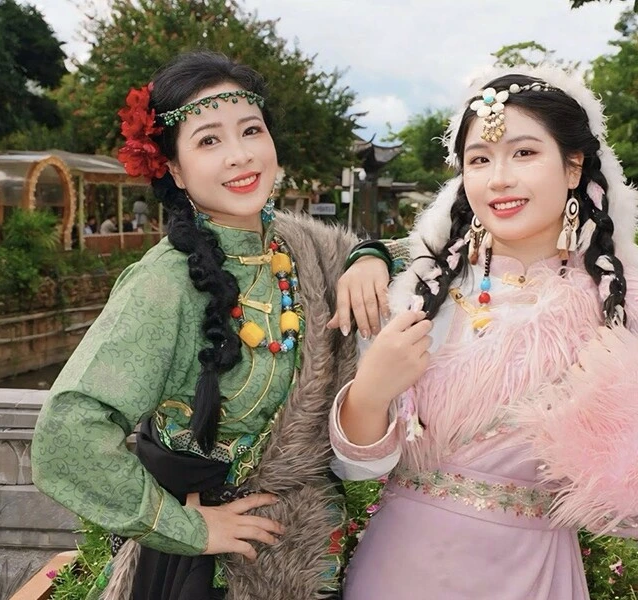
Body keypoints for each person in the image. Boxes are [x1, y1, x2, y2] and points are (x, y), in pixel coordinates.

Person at [32, 50, 394, 600]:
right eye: (208, 140)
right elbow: (66, 439)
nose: (240, 155)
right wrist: (189, 529)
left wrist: (371, 257)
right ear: (174, 169)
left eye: (251, 130)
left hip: (304, 553)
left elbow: (430, 257)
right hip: (205, 572)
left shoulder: (302, 249)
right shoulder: (167, 282)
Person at [329, 65, 638, 599]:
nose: (498, 179)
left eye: (524, 153)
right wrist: (371, 390)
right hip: (400, 568)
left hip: (533, 575)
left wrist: (603, 446)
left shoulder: (623, 308)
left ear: (573, 168)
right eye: (479, 160)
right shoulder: (419, 293)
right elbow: (356, 468)